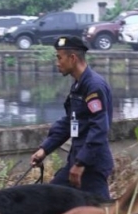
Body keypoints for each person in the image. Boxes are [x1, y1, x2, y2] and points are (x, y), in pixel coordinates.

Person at [30, 36, 114, 199]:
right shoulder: (78, 85)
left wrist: (81, 163)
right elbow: (70, 122)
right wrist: (45, 149)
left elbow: (99, 128)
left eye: (59, 57)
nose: (57, 63)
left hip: (91, 165)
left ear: (73, 58)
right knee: (49, 200)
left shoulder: (93, 86)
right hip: (77, 161)